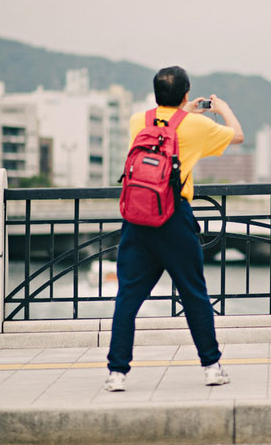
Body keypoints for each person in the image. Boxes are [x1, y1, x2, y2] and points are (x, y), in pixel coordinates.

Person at [104, 66, 244, 392]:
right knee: (194, 293)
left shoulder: (137, 121)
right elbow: (237, 136)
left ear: (155, 93)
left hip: (137, 217)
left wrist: (182, 110)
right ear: (185, 94)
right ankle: (211, 366)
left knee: (127, 297)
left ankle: (117, 373)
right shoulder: (198, 125)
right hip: (174, 218)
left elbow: (165, 124)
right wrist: (222, 110)